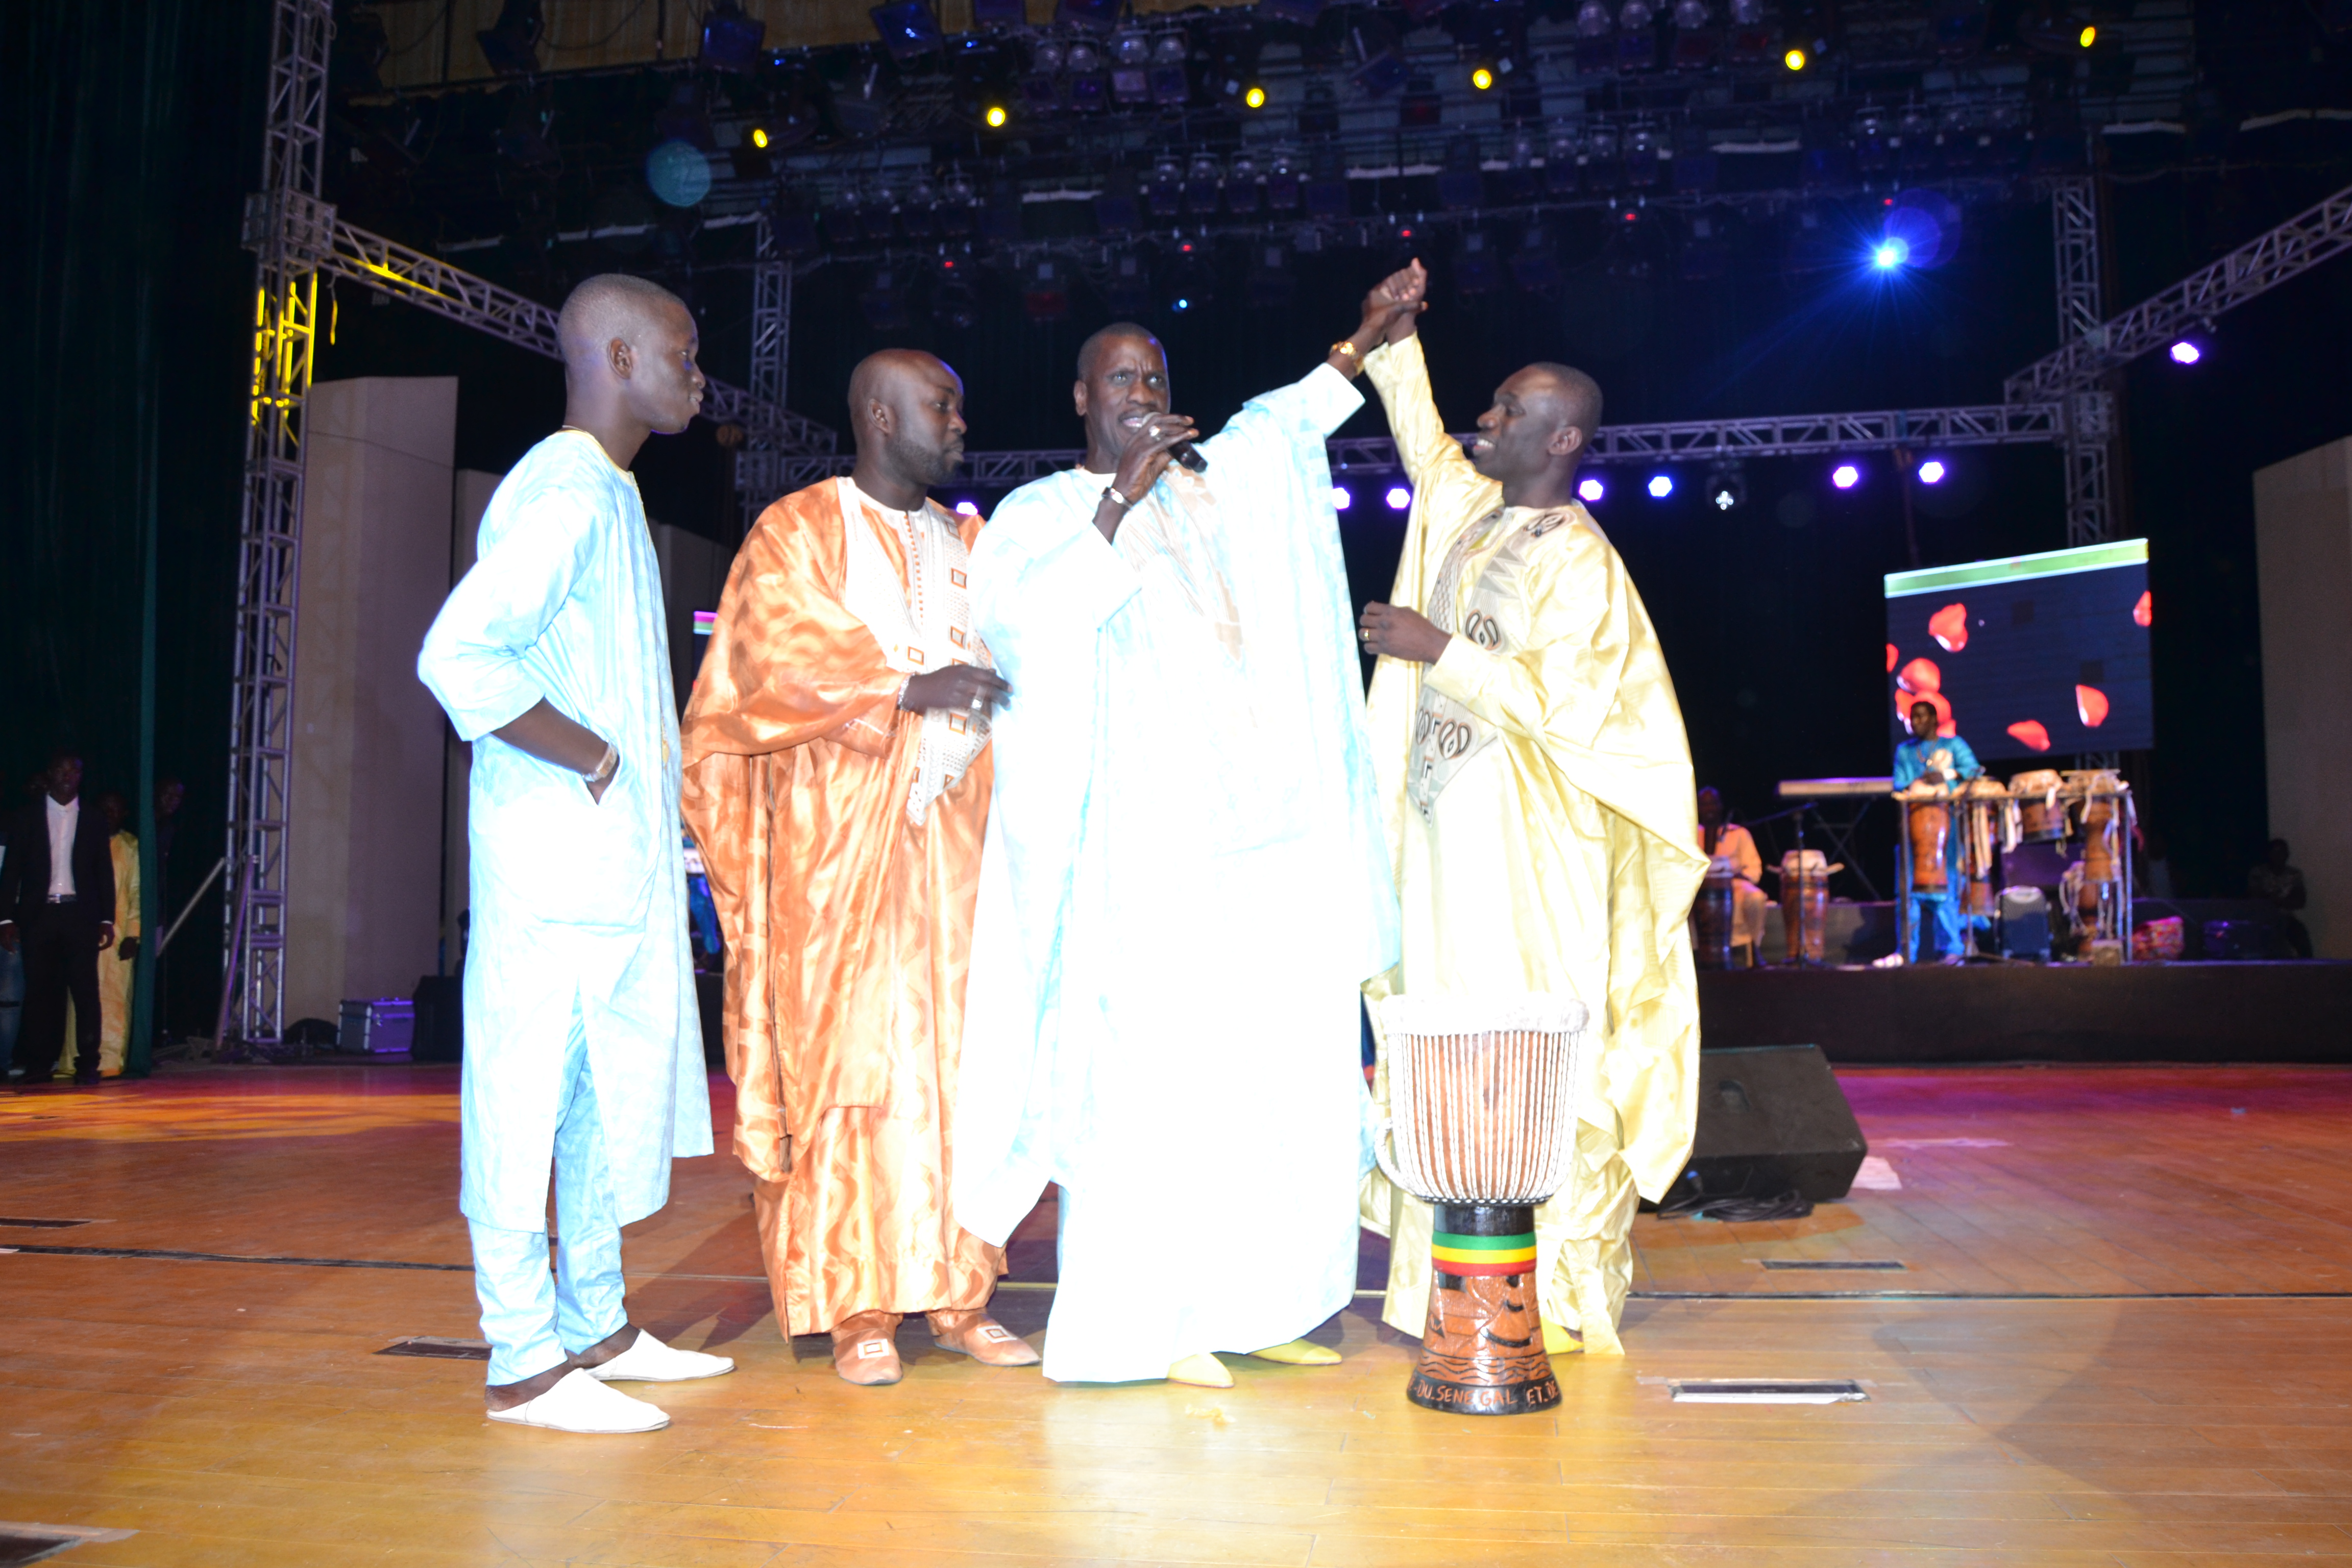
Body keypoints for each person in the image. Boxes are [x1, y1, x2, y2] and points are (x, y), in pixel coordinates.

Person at [956, 300, 1405, 1388]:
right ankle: (1145, 1326)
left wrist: (1360, 340)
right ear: (1079, 398)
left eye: (1154, 380)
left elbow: (1280, 433)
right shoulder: (1042, 510)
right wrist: (1116, 505)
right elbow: (1023, 635)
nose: (1143, 397)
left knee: (1270, 1084)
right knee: (1148, 1094)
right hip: (1139, 860)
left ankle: (1257, 1306)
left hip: (1261, 847)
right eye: (1120, 381)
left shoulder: (1219, 496)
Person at [1353, 258, 1707, 1358]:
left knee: (1528, 1063)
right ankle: (1445, 1292)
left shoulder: (1585, 565)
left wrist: (1438, 651)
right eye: (1491, 402)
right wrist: (1389, 337)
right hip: (1444, 849)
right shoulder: (1472, 521)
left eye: (1508, 412)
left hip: (1532, 859)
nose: (1484, 420)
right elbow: (1423, 440)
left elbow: (1585, 715)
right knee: (1440, 1058)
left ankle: (1548, 1293)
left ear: (1561, 440)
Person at [682, 349, 1040, 1387]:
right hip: (839, 854)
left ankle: (962, 1294)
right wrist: (907, 684)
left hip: (961, 849)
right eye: (943, 404)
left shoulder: (973, 544)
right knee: (855, 1073)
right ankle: (859, 1304)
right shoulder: (797, 530)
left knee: (961, 1075)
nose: (961, 423)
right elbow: (765, 660)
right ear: (880, 415)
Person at [416, 273, 730, 1435]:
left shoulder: (606, 490)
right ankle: (522, 1358)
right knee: (523, 1098)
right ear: (614, 353)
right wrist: (591, 748)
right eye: (683, 354)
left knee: (597, 1098)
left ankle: (594, 1318)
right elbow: (460, 656)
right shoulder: (566, 489)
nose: (698, 377)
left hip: (607, 873)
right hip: (551, 867)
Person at [0, 751, 117, 1086]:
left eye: (75, 771)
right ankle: (40, 1063)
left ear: (81, 776)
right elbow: (12, 873)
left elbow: (103, 874)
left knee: (85, 990)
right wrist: (5, 919)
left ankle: (88, 1063)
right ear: (50, 774)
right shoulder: (27, 818)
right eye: (61, 770)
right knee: (39, 992)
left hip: (80, 914)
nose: (68, 776)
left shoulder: (93, 819)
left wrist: (107, 918)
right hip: (40, 915)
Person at [1892, 698, 1983, 962]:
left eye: (1922, 717)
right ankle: (1907, 949)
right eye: (1913, 718)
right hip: (1913, 826)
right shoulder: (1905, 751)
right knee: (1908, 887)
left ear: (1934, 719)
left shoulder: (1953, 745)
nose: (1916, 722)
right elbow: (1899, 783)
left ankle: (1952, 948)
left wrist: (1947, 776)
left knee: (1947, 884)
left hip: (1947, 827)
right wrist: (1920, 781)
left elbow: (1974, 770)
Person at [58, 791, 140, 1077]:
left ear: (124, 814)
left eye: (114, 810)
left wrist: (133, 934)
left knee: (114, 998)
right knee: (78, 998)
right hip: (82, 931)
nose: (109, 815)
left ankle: (110, 1062)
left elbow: (136, 893)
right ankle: (75, 1060)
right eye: (104, 809)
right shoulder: (83, 840)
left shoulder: (130, 846)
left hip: (116, 935)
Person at [1696, 786, 1770, 964]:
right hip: (1698, 888)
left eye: (1713, 804)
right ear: (1697, 808)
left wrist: (1734, 877)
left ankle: (1754, 946)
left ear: (1721, 806)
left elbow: (1754, 869)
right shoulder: (1689, 834)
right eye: (1704, 805)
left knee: (1756, 897)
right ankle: (1697, 953)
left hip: (1733, 885)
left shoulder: (1738, 834)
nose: (1709, 809)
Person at [2248, 838, 2312, 958]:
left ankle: (2309, 971)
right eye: (2275, 853)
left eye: (2282, 853)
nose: (2278, 856)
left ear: (2287, 854)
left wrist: (2275, 900)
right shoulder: (2258, 873)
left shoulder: (2294, 875)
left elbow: (2300, 902)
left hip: (2286, 919)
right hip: (2263, 920)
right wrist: (2283, 900)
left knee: (2301, 937)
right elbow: (2256, 898)